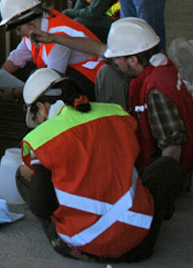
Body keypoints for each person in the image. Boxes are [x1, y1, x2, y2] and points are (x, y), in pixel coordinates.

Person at [30, 18, 192, 215]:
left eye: (118, 59)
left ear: (133, 60)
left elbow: (172, 151)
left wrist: (148, 193)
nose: (114, 61)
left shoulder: (156, 91)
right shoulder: (153, 63)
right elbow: (99, 49)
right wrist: (54, 38)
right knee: (107, 72)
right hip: (147, 140)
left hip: (161, 167)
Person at [17, 69, 164, 262]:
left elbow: (43, 207)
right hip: (138, 241)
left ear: (42, 108)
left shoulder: (45, 138)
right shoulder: (116, 114)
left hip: (86, 245)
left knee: (22, 175)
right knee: (163, 167)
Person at [0, 0, 105, 101]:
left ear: (31, 23)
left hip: (94, 80)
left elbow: (50, 81)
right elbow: (17, 57)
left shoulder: (58, 34)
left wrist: (14, 93)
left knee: (44, 82)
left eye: (18, 29)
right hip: (74, 72)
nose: (18, 33)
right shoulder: (36, 28)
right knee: (22, 72)